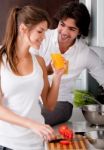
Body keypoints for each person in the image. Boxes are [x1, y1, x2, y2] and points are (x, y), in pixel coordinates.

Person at [0, 5, 66, 150]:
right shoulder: (1, 59)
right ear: (23, 29)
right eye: (40, 31)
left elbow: (49, 105)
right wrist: (32, 124)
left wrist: (57, 76)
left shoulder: (39, 62)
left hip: (36, 142)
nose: (44, 37)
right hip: (8, 143)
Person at [30, 1, 104, 126]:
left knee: (37, 119)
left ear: (80, 32)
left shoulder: (85, 53)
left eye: (71, 29)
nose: (64, 32)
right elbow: (25, 67)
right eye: (62, 24)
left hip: (62, 101)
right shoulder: (43, 38)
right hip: (34, 96)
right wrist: (47, 69)